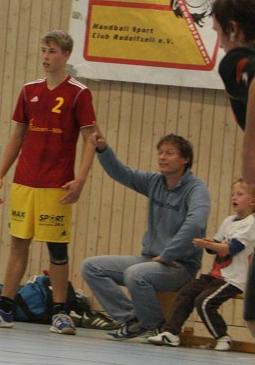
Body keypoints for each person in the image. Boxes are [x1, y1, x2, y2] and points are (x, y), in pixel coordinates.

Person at [0, 30, 98, 335]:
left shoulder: (79, 93)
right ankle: (4, 309)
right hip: (25, 181)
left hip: (57, 183)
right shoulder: (28, 91)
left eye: (52, 51)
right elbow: (17, 136)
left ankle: (61, 314)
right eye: (43, 50)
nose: (45, 57)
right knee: (18, 244)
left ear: (66, 55)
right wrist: (0, 174)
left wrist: (80, 179)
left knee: (57, 248)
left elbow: (91, 137)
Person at [80, 133, 210, 340]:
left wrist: (168, 254)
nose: (162, 157)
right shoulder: (154, 182)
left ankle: (154, 325)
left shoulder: (197, 189)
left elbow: (195, 224)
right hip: (150, 260)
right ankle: (131, 318)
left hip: (179, 265)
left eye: (169, 153)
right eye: (160, 152)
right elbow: (121, 173)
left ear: (185, 159)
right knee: (91, 267)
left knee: (136, 274)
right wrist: (103, 150)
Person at [146, 179, 255, 351]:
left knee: (204, 302)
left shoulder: (251, 224)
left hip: (233, 279)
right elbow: (216, 245)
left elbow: (232, 248)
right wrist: (208, 243)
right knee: (186, 293)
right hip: (215, 275)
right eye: (233, 194)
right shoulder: (229, 221)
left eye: (240, 194)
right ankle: (171, 332)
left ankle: (222, 336)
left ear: (252, 201)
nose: (234, 197)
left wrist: (210, 245)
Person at [211, 0, 255, 342]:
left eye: (219, 33)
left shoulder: (238, 63)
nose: (219, 42)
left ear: (234, 28)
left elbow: (250, 144)